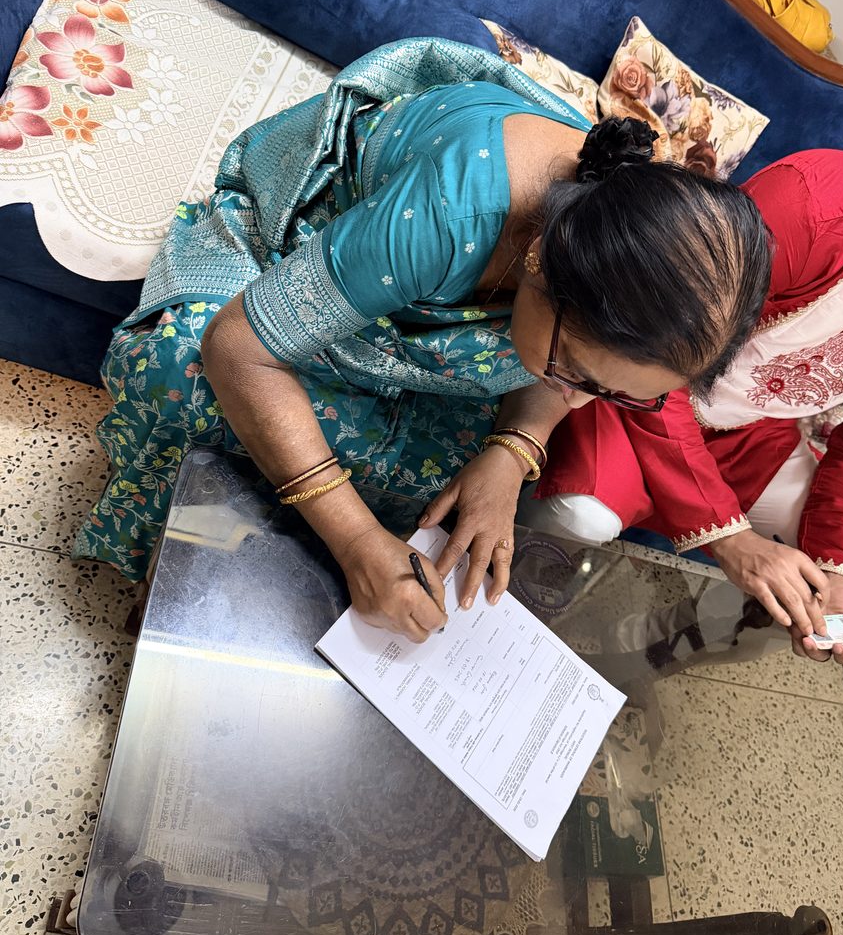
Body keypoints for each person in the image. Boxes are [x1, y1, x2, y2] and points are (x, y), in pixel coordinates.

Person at [74, 37, 774, 644]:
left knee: (452, 490)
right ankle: (191, 574)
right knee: (185, 379)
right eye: (575, 373)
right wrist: (352, 539)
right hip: (303, 242)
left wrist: (514, 449)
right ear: (538, 265)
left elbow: (566, 376)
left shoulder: (589, 269)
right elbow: (238, 348)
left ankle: (314, 589)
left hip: (436, 310)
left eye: (617, 396)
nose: (576, 399)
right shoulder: (450, 215)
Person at [525, 148, 843, 666]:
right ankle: (514, 621)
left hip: (753, 426)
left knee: (838, 603)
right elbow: (658, 349)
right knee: (580, 516)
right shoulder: (811, 208)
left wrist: (839, 575)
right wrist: (732, 538)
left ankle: (642, 650)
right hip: (638, 395)